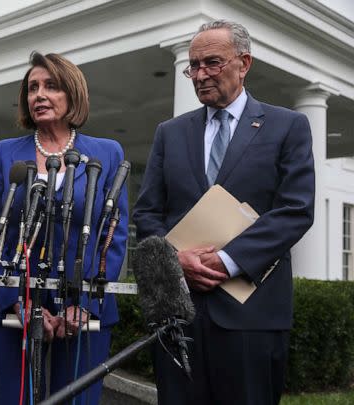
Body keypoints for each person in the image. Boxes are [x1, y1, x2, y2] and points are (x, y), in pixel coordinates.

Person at [133, 20, 314, 405]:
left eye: (212, 63)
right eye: (193, 66)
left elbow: (295, 210)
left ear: (243, 62)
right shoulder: (170, 132)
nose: (200, 75)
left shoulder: (288, 126)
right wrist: (174, 258)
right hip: (178, 317)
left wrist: (227, 261)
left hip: (253, 318)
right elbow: (147, 213)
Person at [0, 52, 128, 404]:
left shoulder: (106, 153)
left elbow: (114, 235)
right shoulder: (4, 153)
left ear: (72, 94)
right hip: (20, 307)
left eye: (51, 86)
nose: (39, 95)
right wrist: (16, 301)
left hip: (85, 309)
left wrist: (86, 304)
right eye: (32, 88)